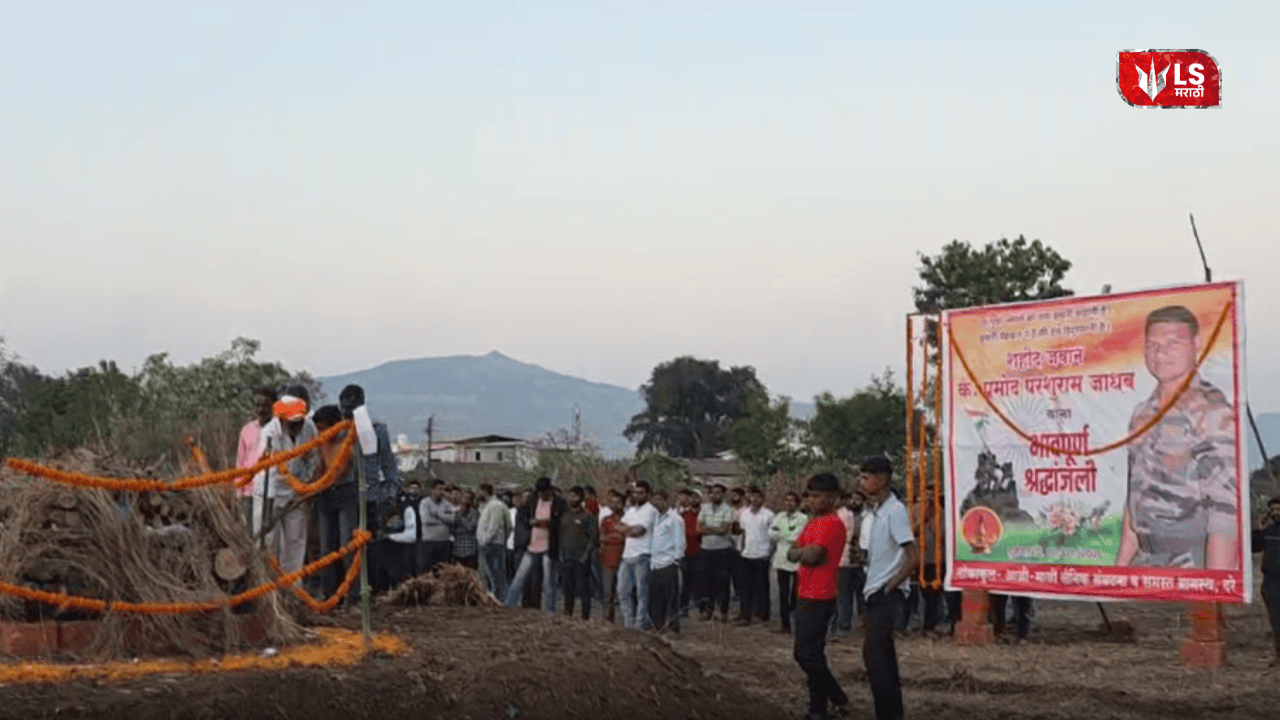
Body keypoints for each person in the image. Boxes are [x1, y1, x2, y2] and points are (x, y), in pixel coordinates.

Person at [1118, 305, 1237, 570]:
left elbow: (1225, 511)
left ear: (1196, 344)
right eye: (1152, 345)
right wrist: (1121, 565)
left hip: (1192, 562)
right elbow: (1135, 495)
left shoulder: (1212, 412)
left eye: (1173, 344)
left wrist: (1214, 584)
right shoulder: (1142, 413)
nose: (1160, 354)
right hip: (1146, 561)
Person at [788, 473, 851, 720]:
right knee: (812, 654)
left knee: (805, 655)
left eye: (817, 496)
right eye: (810, 496)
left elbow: (811, 556)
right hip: (806, 592)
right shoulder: (813, 523)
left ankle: (837, 696)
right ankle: (818, 709)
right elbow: (792, 551)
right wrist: (803, 553)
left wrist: (802, 553)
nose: (811, 501)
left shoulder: (832, 523)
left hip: (820, 596)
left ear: (832, 497)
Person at [859, 455, 917, 720]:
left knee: (877, 657)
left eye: (865, 477)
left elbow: (912, 556)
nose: (861, 482)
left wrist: (890, 586)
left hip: (885, 593)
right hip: (875, 590)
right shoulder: (877, 512)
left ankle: (888, 713)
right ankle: (891, 712)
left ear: (881, 480)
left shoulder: (895, 511)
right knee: (880, 657)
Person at [259, 387, 318, 575]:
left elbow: (313, 458)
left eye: (299, 422)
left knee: (296, 542)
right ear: (282, 419)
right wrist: (267, 513)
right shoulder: (269, 433)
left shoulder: (309, 427)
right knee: (271, 544)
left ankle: (293, 585)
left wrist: (305, 486)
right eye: (293, 423)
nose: (297, 426)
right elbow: (268, 474)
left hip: (298, 494)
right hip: (272, 495)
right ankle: (271, 586)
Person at [506, 477, 567, 613]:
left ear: (549, 490)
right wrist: (531, 522)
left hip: (549, 546)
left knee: (548, 581)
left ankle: (549, 611)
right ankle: (509, 605)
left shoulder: (559, 503)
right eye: (539, 493)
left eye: (544, 493)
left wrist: (548, 523)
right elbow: (523, 515)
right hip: (532, 544)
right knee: (519, 577)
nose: (541, 495)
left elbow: (561, 523)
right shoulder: (534, 500)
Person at [618, 479, 659, 630]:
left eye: (640, 493)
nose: (637, 495)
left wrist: (626, 530)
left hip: (643, 555)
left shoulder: (650, 510)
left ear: (647, 494)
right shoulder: (631, 510)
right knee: (623, 591)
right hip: (627, 555)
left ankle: (640, 624)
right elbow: (619, 526)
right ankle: (628, 624)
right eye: (635, 493)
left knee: (642, 593)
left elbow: (638, 532)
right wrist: (629, 529)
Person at [235, 386, 276, 525]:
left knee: (269, 531)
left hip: (270, 491)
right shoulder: (247, 430)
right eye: (257, 405)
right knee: (250, 532)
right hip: (249, 491)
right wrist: (239, 491)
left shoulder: (279, 430)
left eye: (265, 406)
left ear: (273, 406)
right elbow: (240, 461)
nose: (260, 409)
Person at [648, 489, 686, 633]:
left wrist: (676, 561)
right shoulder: (656, 518)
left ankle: (673, 628)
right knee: (656, 598)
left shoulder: (675, 519)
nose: (656, 503)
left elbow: (680, 542)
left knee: (671, 599)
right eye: (654, 500)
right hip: (655, 563)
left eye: (658, 499)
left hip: (668, 564)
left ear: (665, 500)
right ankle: (658, 626)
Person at [697, 483, 736, 622]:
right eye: (712, 493)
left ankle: (723, 611)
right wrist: (715, 529)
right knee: (706, 582)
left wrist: (708, 529)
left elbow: (724, 529)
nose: (714, 495)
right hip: (706, 549)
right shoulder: (704, 508)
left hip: (722, 550)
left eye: (718, 493)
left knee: (723, 582)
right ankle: (708, 611)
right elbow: (698, 529)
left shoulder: (728, 509)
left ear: (723, 494)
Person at [736, 486, 775, 626]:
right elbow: (743, 532)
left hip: (762, 554)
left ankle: (762, 615)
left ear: (762, 499)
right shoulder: (744, 513)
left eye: (758, 497)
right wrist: (741, 549)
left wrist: (769, 552)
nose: (755, 499)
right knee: (744, 587)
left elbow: (773, 536)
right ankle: (745, 614)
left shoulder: (768, 515)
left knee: (761, 587)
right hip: (747, 553)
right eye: (752, 496)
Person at [771, 491, 807, 634]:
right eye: (787, 500)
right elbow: (772, 534)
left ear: (797, 503)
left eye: (792, 500)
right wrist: (786, 534)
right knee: (783, 593)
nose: (789, 503)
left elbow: (797, 537)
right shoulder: (779, 516)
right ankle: (784, 624)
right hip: (781, 558)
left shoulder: (802, 518)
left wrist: (781, 533)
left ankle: (798, 623)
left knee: (796, 593)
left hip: (796, 559)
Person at [558, 486, 597, 620]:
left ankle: (585, 616)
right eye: (570, 495)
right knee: (568, 587)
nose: (571, 498)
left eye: (574, 496)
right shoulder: (565, 515)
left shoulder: (587, 516)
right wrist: (561, 553)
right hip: (567, 557)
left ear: (581, 498)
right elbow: (561, 535)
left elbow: (593, 538)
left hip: (581, 558)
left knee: (584, 588)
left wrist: (585, 555)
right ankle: (567, 613)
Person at [1253, 496, 1280, 665]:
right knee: (1276, 621)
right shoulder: (1268, 532)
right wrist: (1259, 527)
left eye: (1279, 509)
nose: (1276, 512)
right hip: (1271, 583)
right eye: (1273, 510)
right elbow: (1254, 546)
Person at [476, 482, 512, 600]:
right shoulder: (487, 506)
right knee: (490, 574)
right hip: (490, 544)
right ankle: (495, 597)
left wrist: (485, 541)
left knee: (495, 574)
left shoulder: (495, 505)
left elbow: (494, 526)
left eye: (479, 491)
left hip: (492, 544)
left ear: (485, 491)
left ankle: (500, 598)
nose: (477, 493)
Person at [598, 489, 627, 623]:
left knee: (624, 593)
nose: (616, 505)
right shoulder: (606, 520)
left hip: (624, 559)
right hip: (607, 559)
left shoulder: (628, 519)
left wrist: (613, 537)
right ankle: (608, 620)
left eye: (618, 502)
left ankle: (627, 621)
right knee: (607, 593)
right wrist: (617, 536)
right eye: (613, 503)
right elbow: (601, 537)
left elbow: (627, 537)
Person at [419, 480, 456, 573]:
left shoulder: (447, 504)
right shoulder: (425, 503)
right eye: (440, 489)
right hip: (429, 542)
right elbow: (426, 520)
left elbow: (452, 519)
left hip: (444, 542)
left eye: (444, 489)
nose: (442, 492)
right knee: (427, 571)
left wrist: (438, 514)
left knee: (443, 571)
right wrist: (444, 522)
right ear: (432, 489)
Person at [678, 489, 702, 619]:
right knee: (685, 583)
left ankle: (701, 608)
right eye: (691, 497)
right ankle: (684, 608)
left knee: (699, 582)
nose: (693, 499)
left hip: (700, 552)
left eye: (696, 497)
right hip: (685, 552)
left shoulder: (704, 514)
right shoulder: (683, 515)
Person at [451, 490, 480, 569]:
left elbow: (470, 528)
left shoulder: (475, 513)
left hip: (469, 550)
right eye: (464, 498)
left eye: (468, 498)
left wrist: (461, 516)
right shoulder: (456, 513)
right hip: (457, 549)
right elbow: (453, 530)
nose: (465, 500)